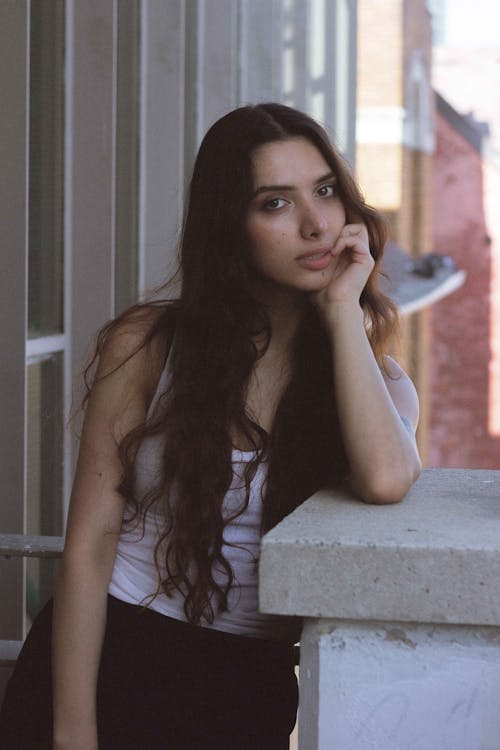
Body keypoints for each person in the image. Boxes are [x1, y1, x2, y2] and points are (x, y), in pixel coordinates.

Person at [0, 102, 421, 749]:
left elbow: (389, 480)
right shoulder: (149, 345)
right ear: (231, 226)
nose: (315, 223)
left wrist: (341, 311)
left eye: (326, 191)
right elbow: (89, 545)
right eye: (275, 204)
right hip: (112, 657)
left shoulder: (371, 383)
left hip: (244, 687)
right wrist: (72, 731)